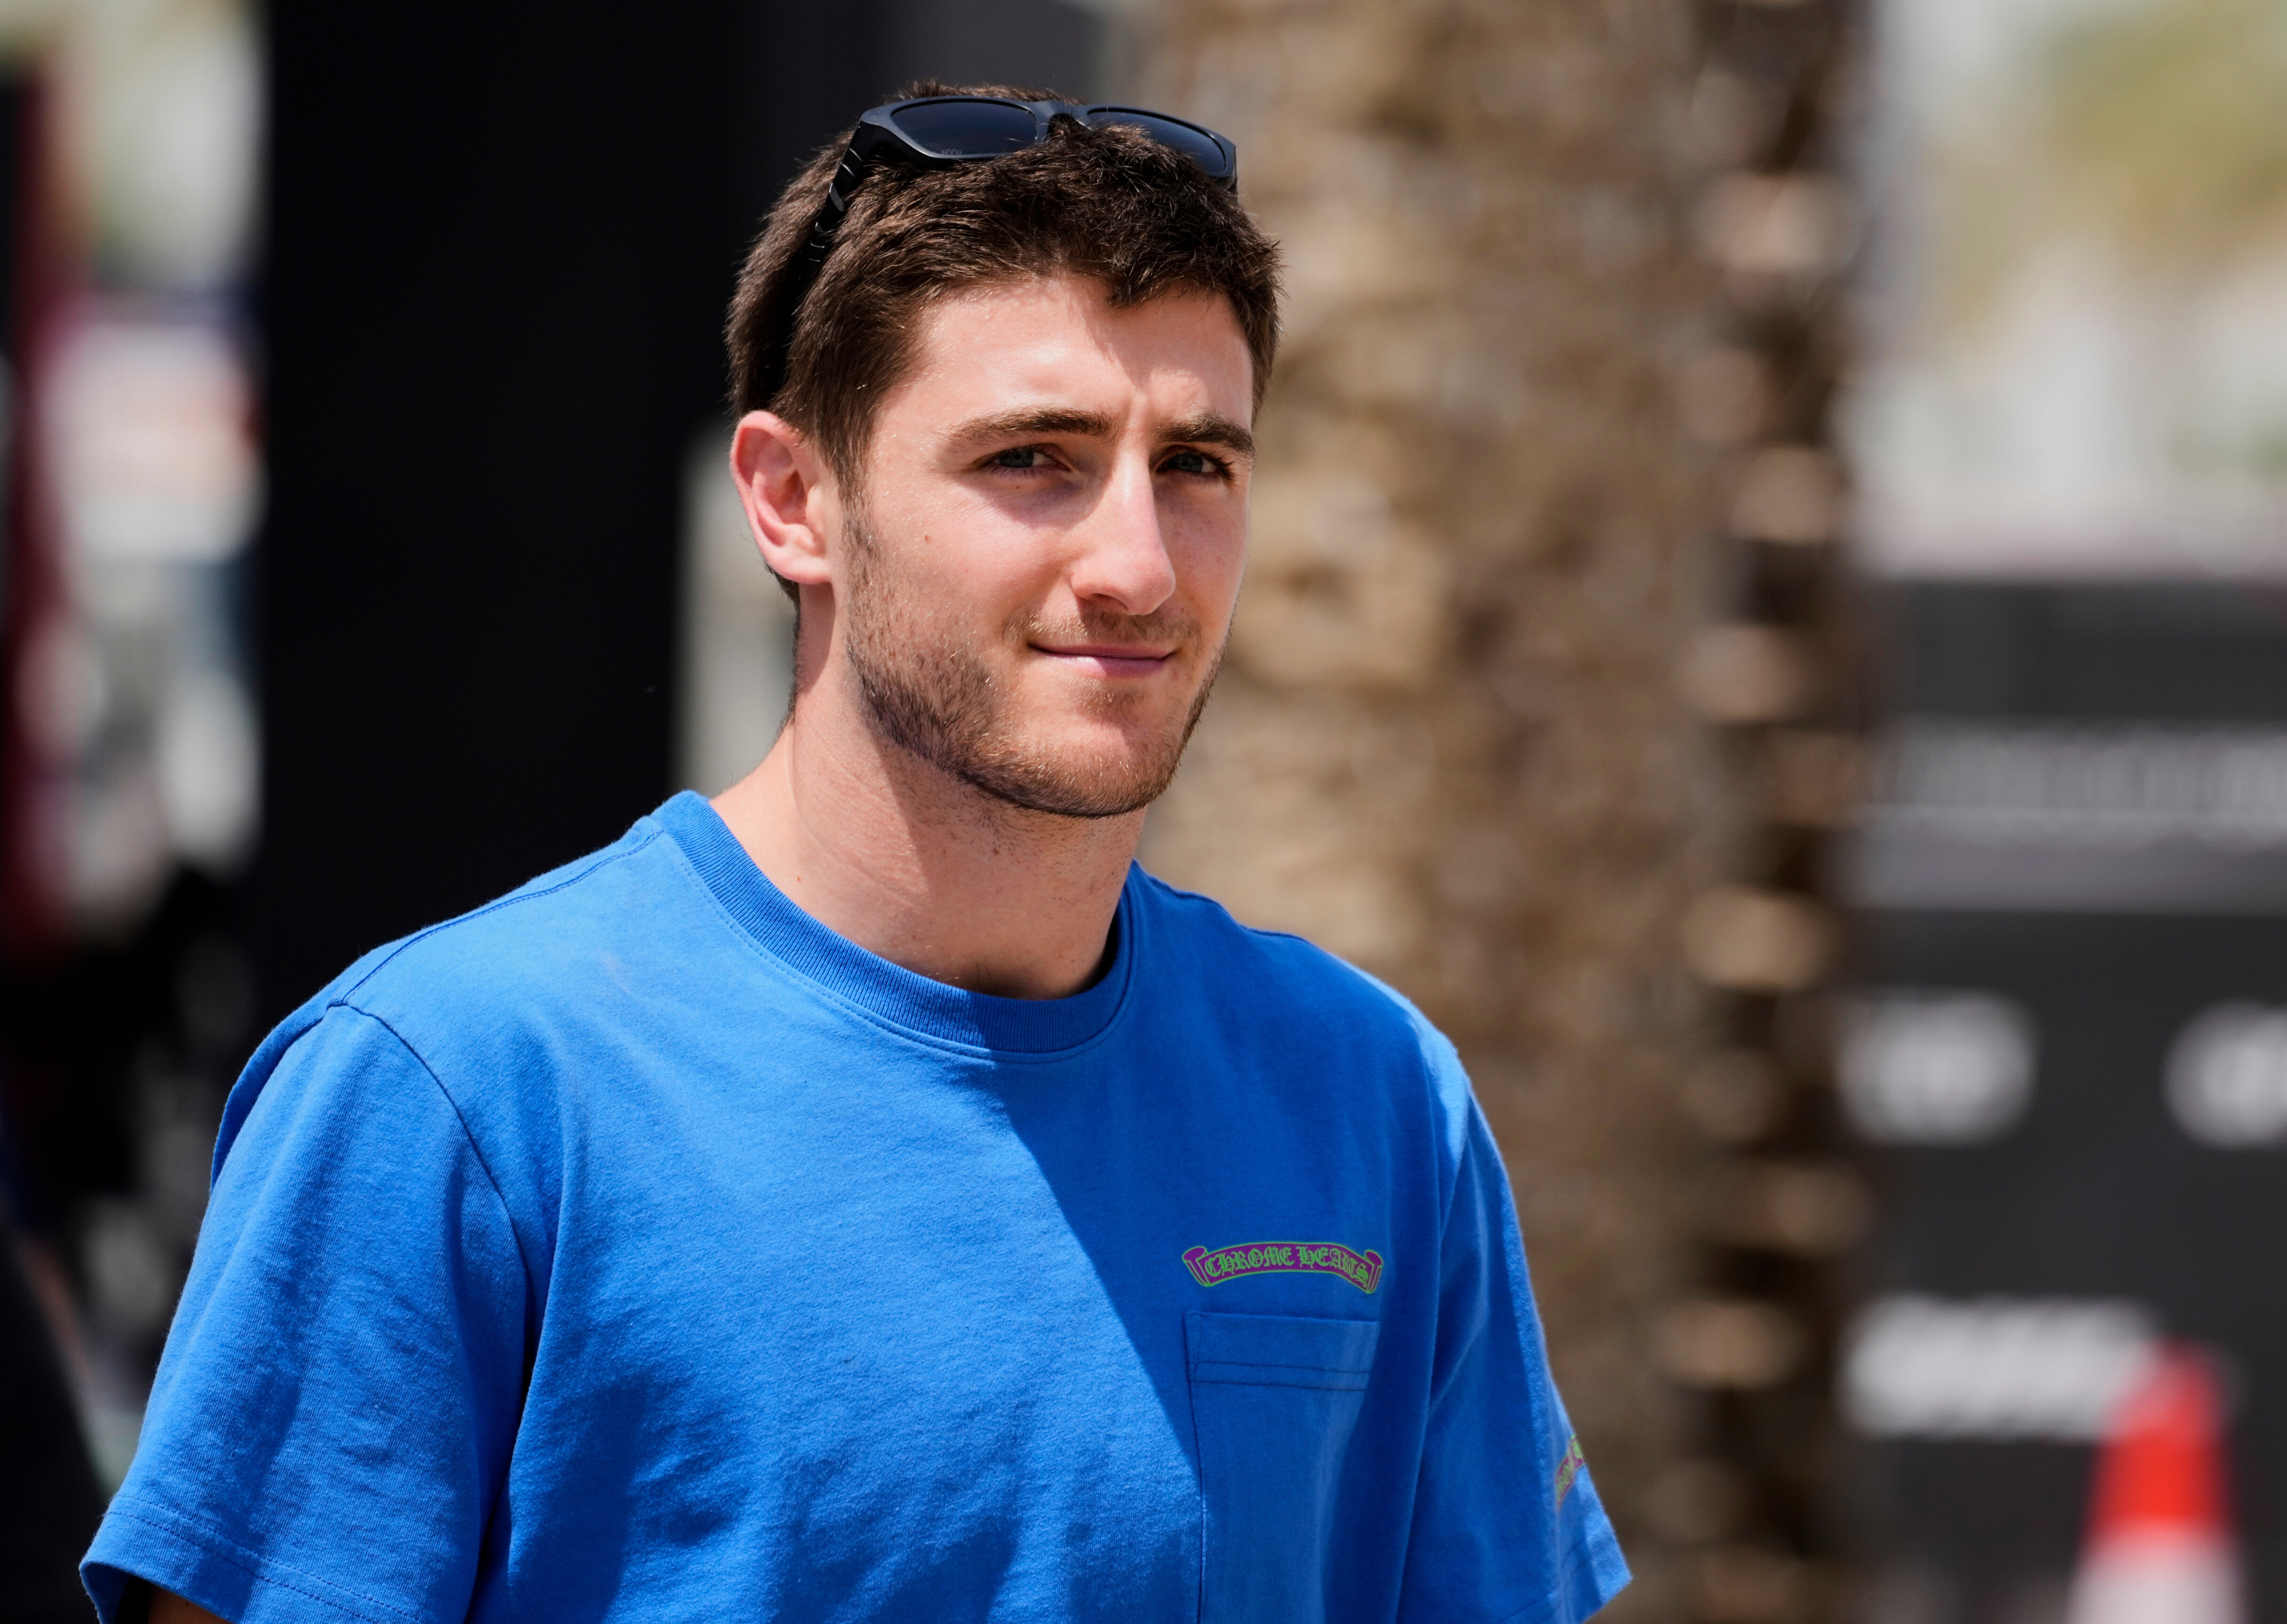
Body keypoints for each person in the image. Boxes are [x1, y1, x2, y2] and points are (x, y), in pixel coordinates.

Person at [83, 85, 1630, 1624]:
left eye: (1198, 466)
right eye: (1034, 457)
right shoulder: (456, 1094)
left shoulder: (1372, 1098)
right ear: (793, 500)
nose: (1139, 565)